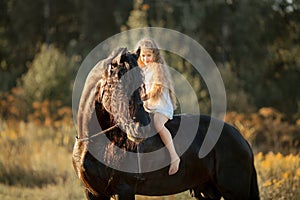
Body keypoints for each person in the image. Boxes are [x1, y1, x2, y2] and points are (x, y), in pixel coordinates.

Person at [135, 38, 180, 175]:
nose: (146, 58)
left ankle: (174, 156)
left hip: (161, 105)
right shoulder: (142, 69)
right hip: (149, 106)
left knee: (158, 124)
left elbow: (157, 89)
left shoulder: (158, 68)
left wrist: (144, 97)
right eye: (143, 55)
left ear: (155, 54)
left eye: (149, 55)